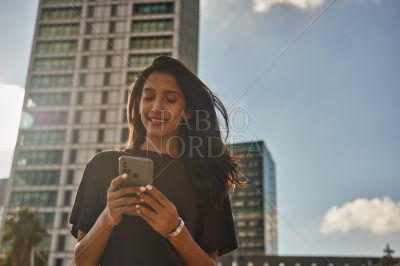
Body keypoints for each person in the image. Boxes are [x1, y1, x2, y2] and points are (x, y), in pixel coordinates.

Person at [69, 56, 247, 265]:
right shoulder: (102, 166)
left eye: (170, 99)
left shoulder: (209, 176)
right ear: (137, 103)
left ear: (187, 111)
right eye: (148, 97)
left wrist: (175, 229)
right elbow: (82, 261)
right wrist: (108, 217)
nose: (156, 107)